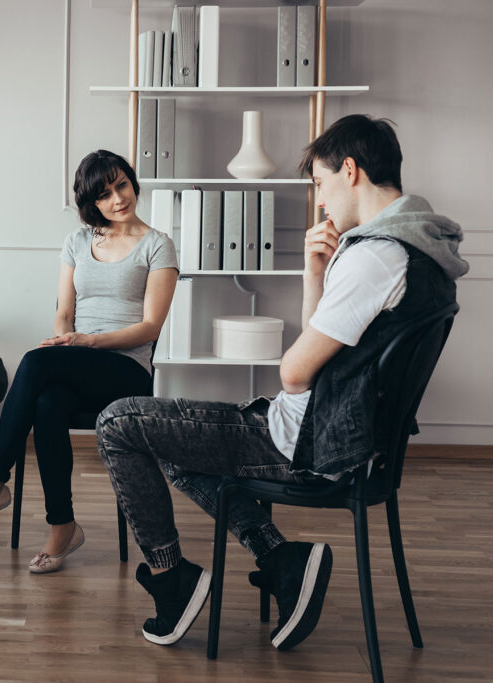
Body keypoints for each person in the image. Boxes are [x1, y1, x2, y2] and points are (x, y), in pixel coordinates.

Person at [96, 114, 468, 649]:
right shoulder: (415, 250)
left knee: (118, 421)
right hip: (342, 439)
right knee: (173, 445)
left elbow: (293, 370)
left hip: (303, 444)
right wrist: (315, 274)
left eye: (319, 183)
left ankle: (171, 581)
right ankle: (282, 559)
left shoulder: (375, 258)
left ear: (349, 169)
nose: (321, 202)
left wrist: (332, 280)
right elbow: (320, 353)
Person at [0, 150, 179, 574]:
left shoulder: (158, 245)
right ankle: (62, 526)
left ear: (132, 183)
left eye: (121, 185)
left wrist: (90, 341)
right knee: (47, 401)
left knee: (34, 363)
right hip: (79, 357)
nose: (117, 199)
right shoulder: (77, 242)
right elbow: (64, 312)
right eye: (104, 194)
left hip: (126, 369)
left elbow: (151, 328)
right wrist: (65, 338)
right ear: (92, 202)